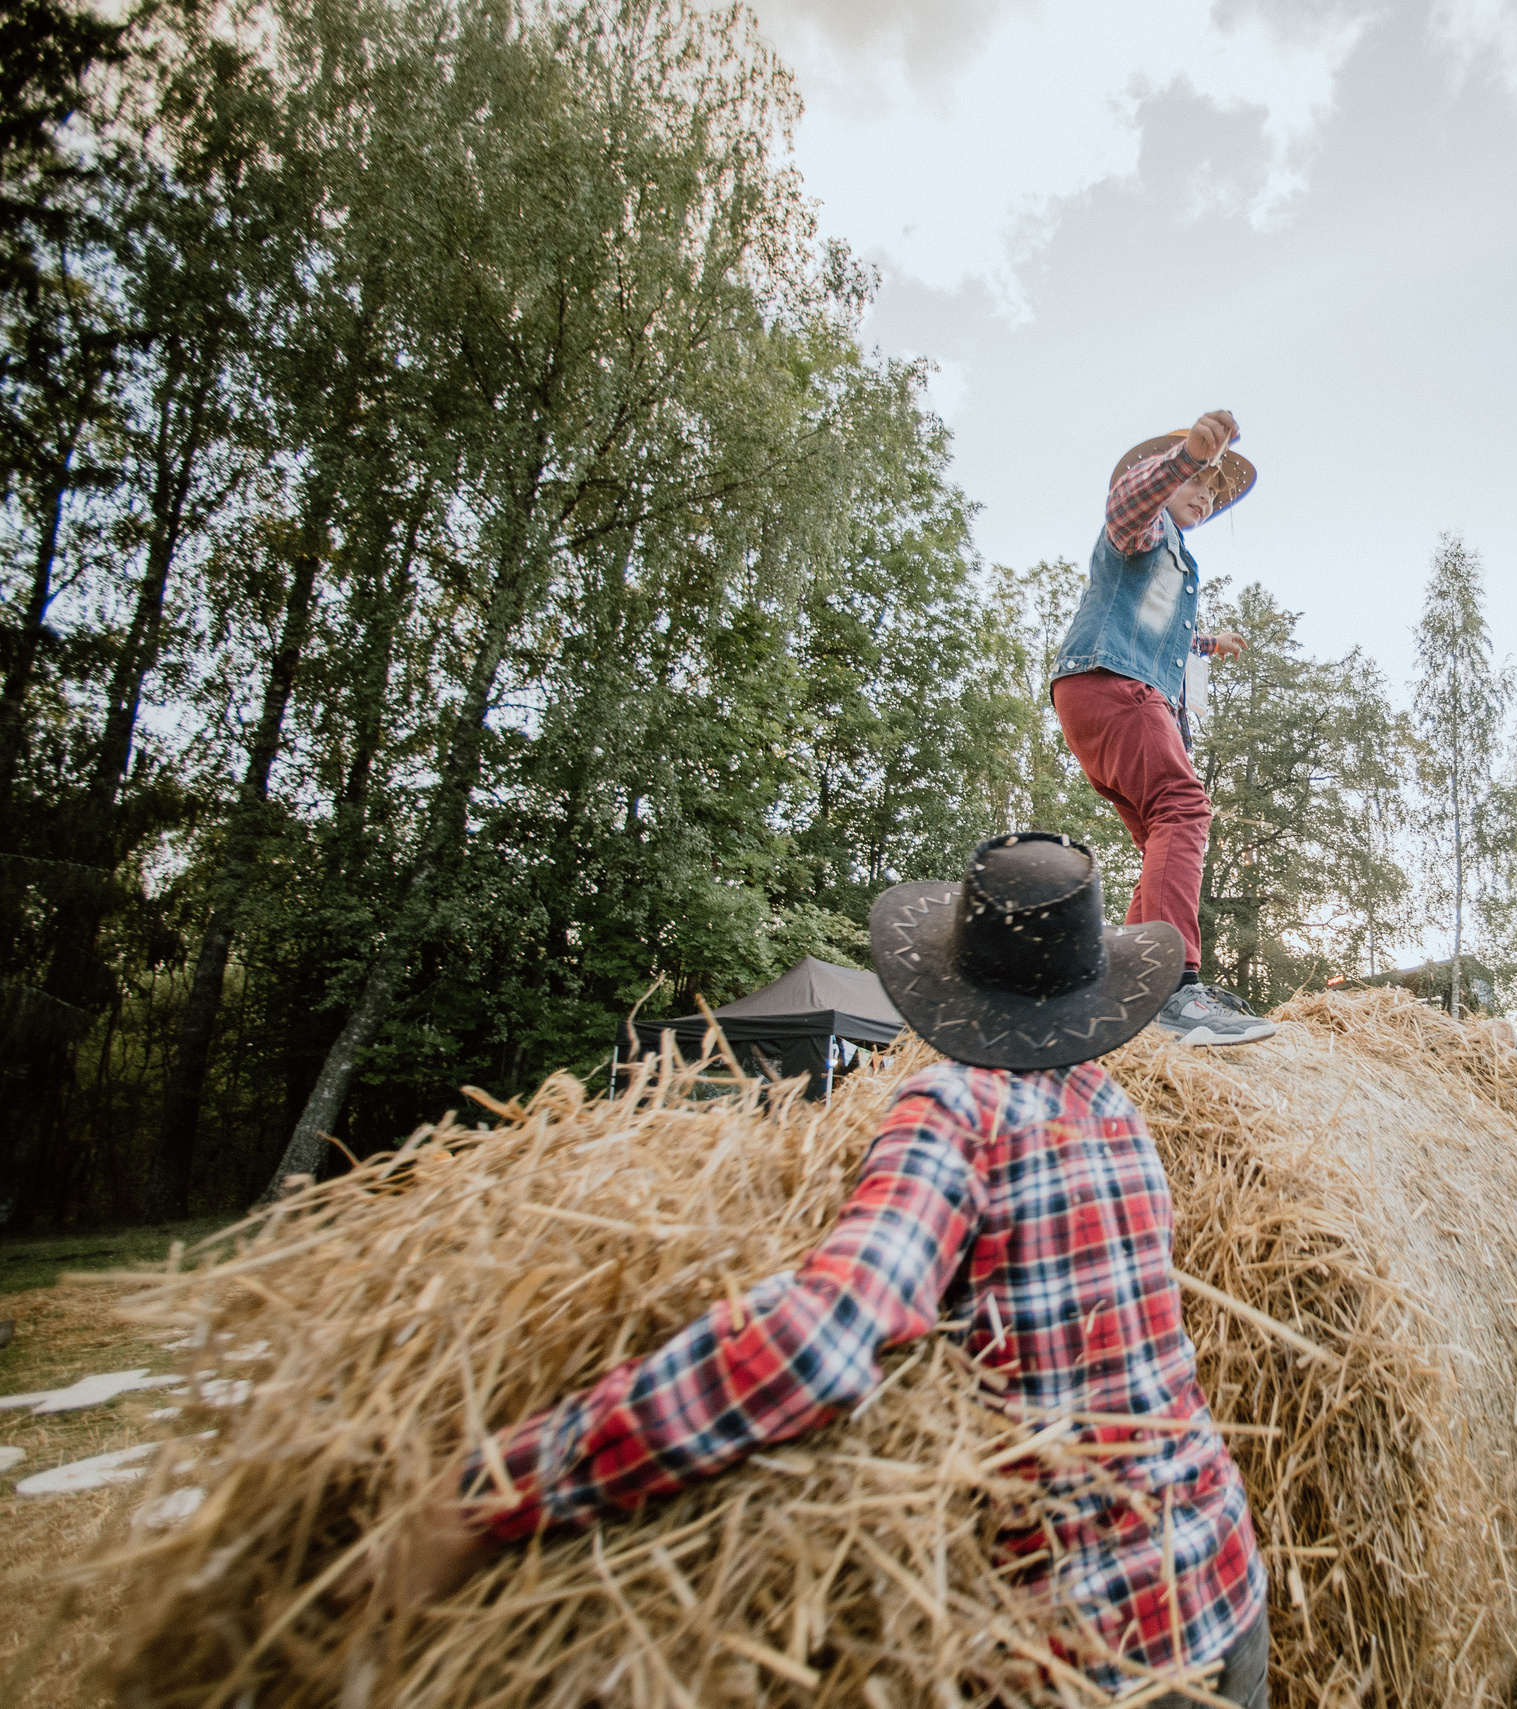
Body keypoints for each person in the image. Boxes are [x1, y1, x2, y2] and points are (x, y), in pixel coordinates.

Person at [379, 833, 1272, 1705]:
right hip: (1222, 1580)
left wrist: (501, 1488)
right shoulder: (1113, 1105)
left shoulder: (954, 1107)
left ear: (954, 979)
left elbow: (824, 1338)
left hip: (1101, 1648)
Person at [1051, 409, 1274, 1048]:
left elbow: (1157, 625)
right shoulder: (1143, 529)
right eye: (1198, 483)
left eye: (1213, 492)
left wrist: (1206, 643)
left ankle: (1124, 982)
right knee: (1184, 807)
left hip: (1100, 693)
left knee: (1160, 837)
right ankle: (1174, 985)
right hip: (1113, 684)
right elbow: (1126, 505)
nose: (1206, 496)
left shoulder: (1176, 562)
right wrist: (1185, 457)